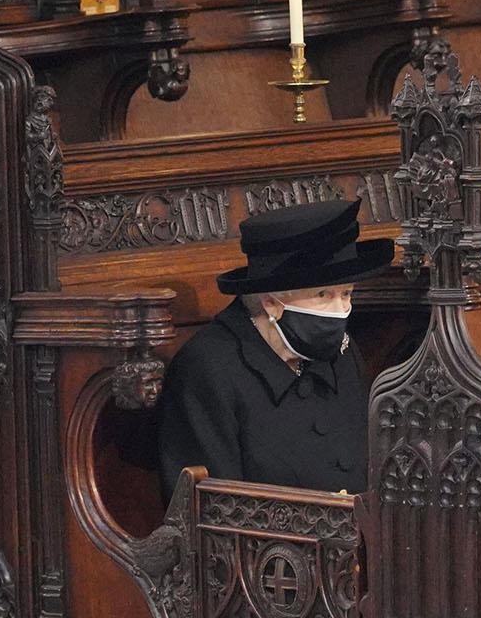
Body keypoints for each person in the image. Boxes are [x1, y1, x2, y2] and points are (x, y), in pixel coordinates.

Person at [156, 199, 394, 497]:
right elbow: (209, 512)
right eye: (323, 294)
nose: (341, 310)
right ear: (271, 301)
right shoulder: (208, 370)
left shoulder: (344, 354)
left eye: (346, 293)